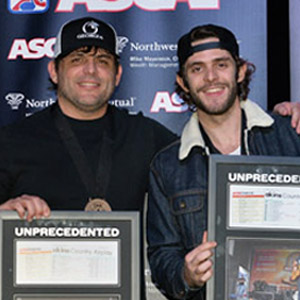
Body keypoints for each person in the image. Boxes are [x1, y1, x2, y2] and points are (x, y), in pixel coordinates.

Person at [146, 24, 300, 300]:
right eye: (197, 69)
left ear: (240, 70)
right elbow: (161, 256)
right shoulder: (168, 165)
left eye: (221, 64)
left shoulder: (291, 136)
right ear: (183, 81)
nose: (211, 78)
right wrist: (186, 275)